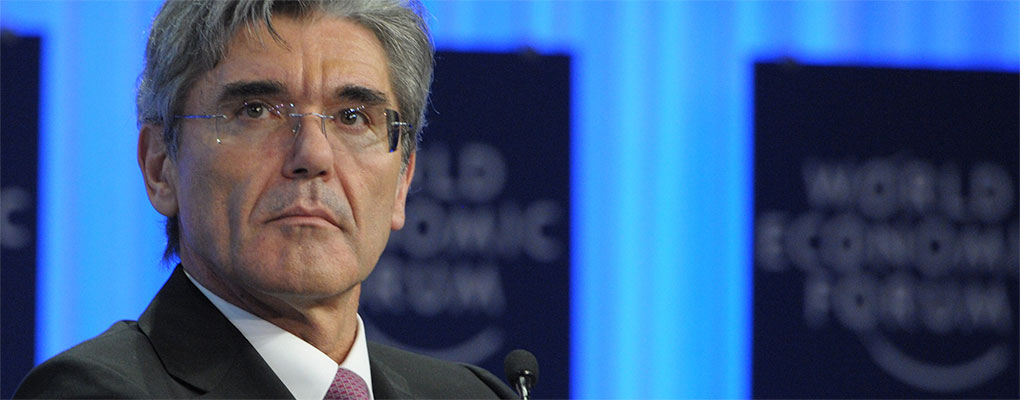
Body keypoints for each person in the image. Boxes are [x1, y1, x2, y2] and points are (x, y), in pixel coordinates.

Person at [15, 1, 516, 398]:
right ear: (160, 166)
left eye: (352, 117)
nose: (313, 155)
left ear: (403, 180)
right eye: (256, 111)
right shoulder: (95, 392)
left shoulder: (473, 395)